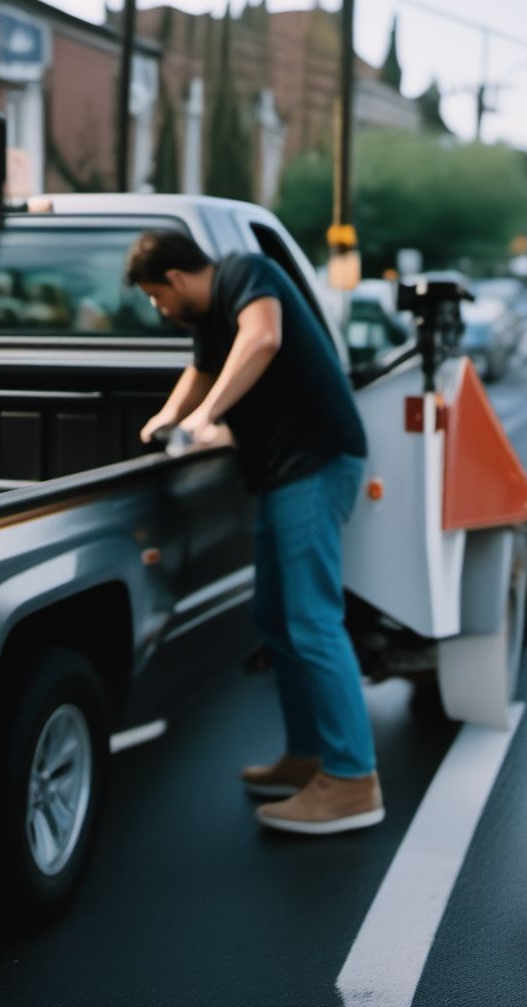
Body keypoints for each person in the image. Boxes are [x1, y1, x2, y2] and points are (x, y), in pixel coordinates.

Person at [125, 229, 383, 835]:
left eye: (157, 298)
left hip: (316, 463)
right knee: (274, 617)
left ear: (178, 279)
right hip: (279, 475)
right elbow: (201, 371)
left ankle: (353, 780)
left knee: (312, 618)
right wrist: (167, 419)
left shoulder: (247, 272)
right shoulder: (210, 318)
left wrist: (205, 419)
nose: (159, 311)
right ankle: (307, 756)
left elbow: (263, 337)